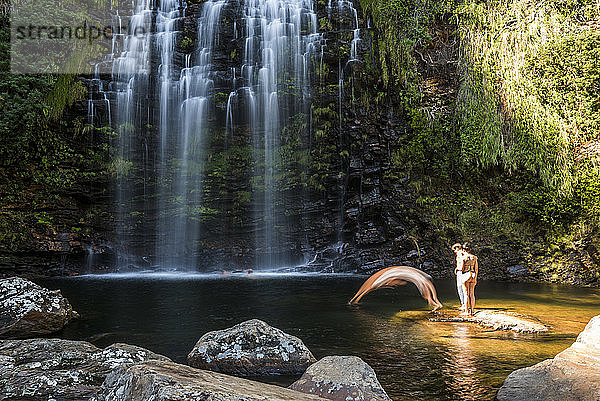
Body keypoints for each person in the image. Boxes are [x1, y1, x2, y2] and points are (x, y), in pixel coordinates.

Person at [452, 243, 478, 316]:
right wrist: (475, 278)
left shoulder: (464, 257)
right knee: (472, 294)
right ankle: (472, 311)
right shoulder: (475, 258)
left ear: (463, 249)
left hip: (466, 275)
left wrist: (457, 269)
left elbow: (462, 268)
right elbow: (476, 269)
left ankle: (466, 311)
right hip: (473, 275)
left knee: (466, 294)